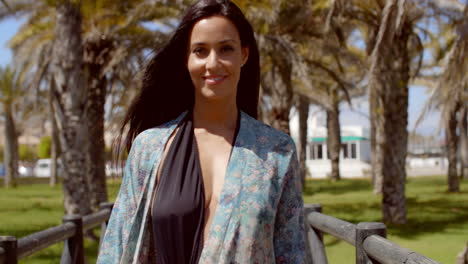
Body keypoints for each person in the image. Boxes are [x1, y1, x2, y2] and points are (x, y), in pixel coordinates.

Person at [97, 0, 306, 263]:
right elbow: (118, 247)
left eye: (225, 49)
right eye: (200, 51)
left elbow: (293, 252)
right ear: (186, 59)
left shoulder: (277, 152)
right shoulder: (149, 148)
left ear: (244, 55)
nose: (213, 63)